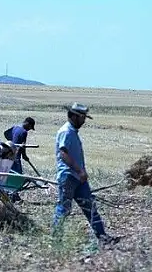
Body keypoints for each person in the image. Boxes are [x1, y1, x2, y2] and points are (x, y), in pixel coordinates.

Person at [52, 103, 119, 245]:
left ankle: (102, 236)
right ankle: (56, 239)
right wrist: (79, 170)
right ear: (74, 116)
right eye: (82, 118)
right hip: (69, 176)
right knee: (64, 208)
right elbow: (63, 154)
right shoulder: (66, 132)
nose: (84, 121)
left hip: (78, 178)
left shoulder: (72, 132)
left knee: (90, 207)